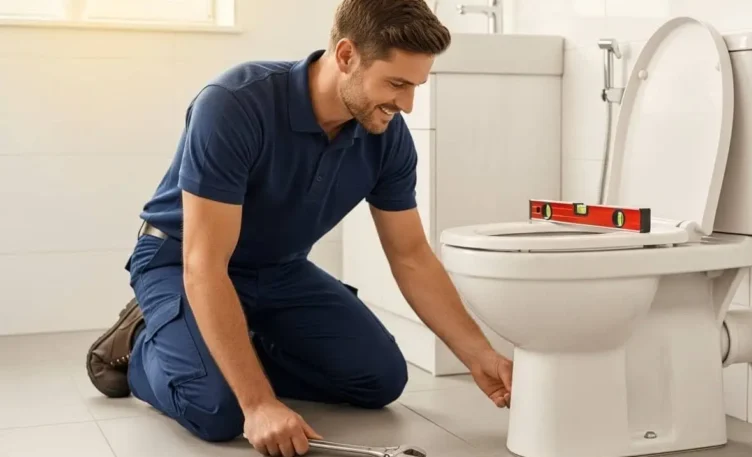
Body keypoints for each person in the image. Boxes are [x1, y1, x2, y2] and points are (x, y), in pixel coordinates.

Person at [85, 0, 513, 455]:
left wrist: (478, 355)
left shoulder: (385, 136)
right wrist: (258, 403)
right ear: (346, 56)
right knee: (220, 410)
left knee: (379, 378)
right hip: (181, 260)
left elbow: (410, 255)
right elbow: (204, 264)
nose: (406, 104)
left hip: (279, 268)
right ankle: (146, 345)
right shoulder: (234, 105)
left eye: (415, 87)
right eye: (396, 83)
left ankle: (217, 348)